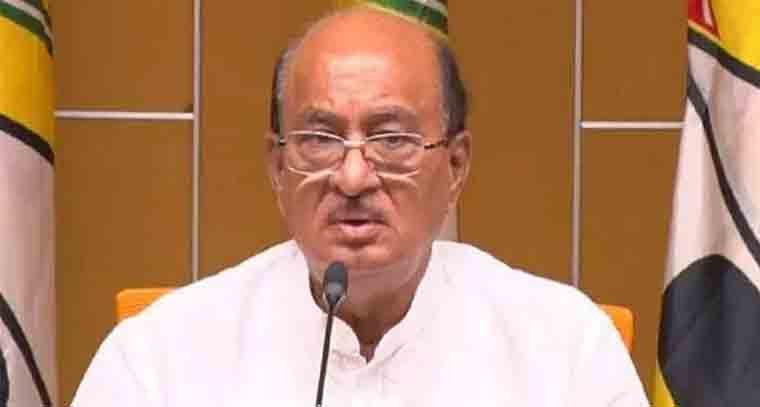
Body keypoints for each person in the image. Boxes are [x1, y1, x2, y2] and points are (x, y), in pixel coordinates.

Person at [72, 5, 648, 406]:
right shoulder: (161, 358)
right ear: (277, 167)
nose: (352, 177)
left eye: (391, 139)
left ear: (455, 166)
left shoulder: (564, 351)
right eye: (320, 139)